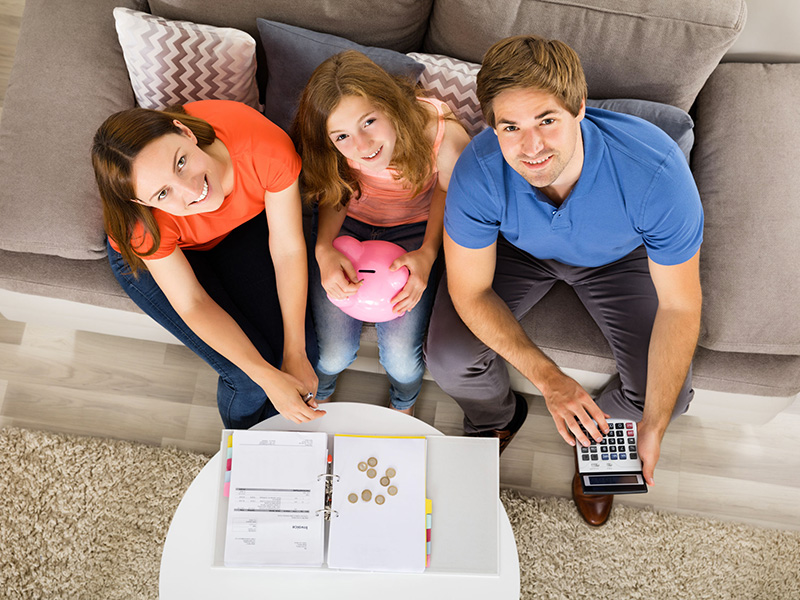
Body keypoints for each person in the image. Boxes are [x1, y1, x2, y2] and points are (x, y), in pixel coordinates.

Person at [424, 35, 703, 526]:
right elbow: (470, 290)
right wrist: (552, 382)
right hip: (517, 250)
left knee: (669, 396)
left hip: (618, 259)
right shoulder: (479, 171)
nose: (530, 147)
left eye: (546, 121)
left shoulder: (655, 170)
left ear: (578, 107)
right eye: (510, 126)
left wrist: (653, 423)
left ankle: (596, 438)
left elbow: (680, 307)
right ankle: (496, 419)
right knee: (449, 356)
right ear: (492, 124)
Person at [92, 99, 324, 429]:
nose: (190, 190)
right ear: (140, 203)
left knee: (304, 354)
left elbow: (287, 248)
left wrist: (296, 353)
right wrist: (267, 378)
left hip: (232, 230)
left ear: (185, 132)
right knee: (249, 380)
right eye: (162, 194)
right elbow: (192, 302)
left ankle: (280, 437)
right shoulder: (141, 224)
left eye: (182, 162)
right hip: (159, 260)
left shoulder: (265, 149)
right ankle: (240, 445)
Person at [293, 50, 470, 415]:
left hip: (413, 232)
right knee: (332, 353)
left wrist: (428, 252)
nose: (361, 147)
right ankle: (318, 390)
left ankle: (403, 402)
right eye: (342, 136)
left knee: (403, 361)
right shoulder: (335, 150)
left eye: (369, 122)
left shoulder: (443, 135)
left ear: (391, 105)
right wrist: (323, 248)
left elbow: (447, 191)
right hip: (349, 223)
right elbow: (335, 191)